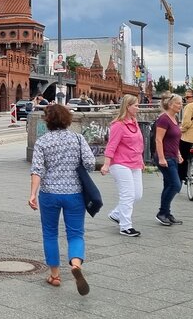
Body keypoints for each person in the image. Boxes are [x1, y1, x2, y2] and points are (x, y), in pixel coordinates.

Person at [29, 104, 93, 296]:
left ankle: (55, 276)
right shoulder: (78, 139)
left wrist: (32, 193)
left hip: (49, 194)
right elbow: (90, 163)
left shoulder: (43, 142)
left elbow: (37, 170)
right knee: (75, 234)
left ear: (48, 121)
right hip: (74, 194)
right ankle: (75, 264)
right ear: (67, 120)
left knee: (50, 234)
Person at [100, 94, 143, 237]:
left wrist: (140, 160)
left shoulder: (134, 122)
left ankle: (116, 214)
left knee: (137, 195)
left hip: (135, 163)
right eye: (135, 105)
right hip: (120, 163)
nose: (138, 108)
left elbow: (139, 144)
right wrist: (106, 165)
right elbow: (111, 146)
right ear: (127, 106)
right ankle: (125, 226)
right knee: (128, 194)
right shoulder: (118, 125)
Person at [154, 92, 183, 226]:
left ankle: (166, 212)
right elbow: (158, 139)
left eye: (181, 103)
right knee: (175, 185)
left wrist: (178, 154)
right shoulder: (164, 119)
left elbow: (175, 139)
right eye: (178, 103)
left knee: (168, 184)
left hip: (172, 156)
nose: (180, 105)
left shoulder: (174, 118)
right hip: (165, 156)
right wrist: (161, 158)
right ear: (170, 105)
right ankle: (161, 213)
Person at [179, 88, 193, 183]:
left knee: (182, 156)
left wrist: (180, 130)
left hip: (189, 138)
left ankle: (182, 177)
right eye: (185, 97)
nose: (186, 99)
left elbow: (186, 123)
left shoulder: (190, 106)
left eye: (188, 97)